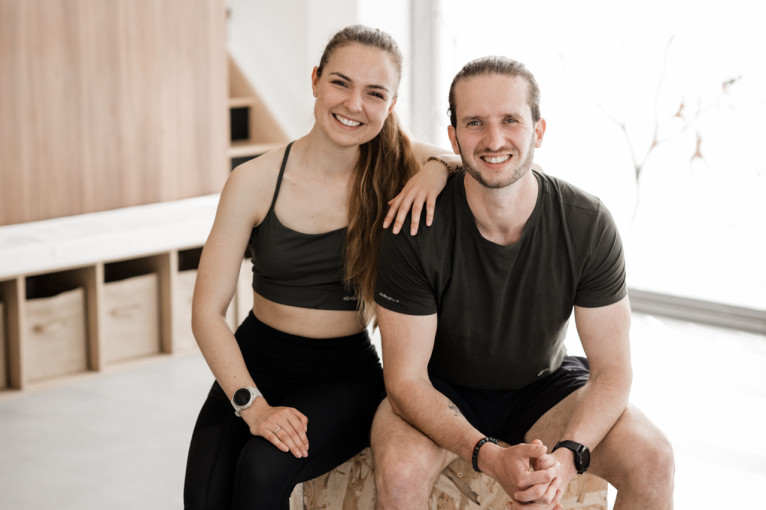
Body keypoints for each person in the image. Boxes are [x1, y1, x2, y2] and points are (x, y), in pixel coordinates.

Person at [371, 56, 675, 510]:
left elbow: (613, 372)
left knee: (655, 460)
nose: (494, 139)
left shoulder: (586, 223)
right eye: (475, 123)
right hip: (439, 388)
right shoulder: (413, 227)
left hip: (545, 388)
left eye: (510, 120)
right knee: (399, 474)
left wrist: (569, 459)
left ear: (538, 130)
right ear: (453, 137)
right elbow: (406, 380)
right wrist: (489, 456)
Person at [183, 25, 459, 510]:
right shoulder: (252, 181)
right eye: (340, 83)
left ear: (390, 106)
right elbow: (207, 312)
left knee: (262, 469)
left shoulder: (397, 167)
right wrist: (253, 405)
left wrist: (435, 171)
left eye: (375, 93)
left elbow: (461, 160)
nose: (354, 104)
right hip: (256, 359)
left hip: (344, 374)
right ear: (315, 80)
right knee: (204, 496)